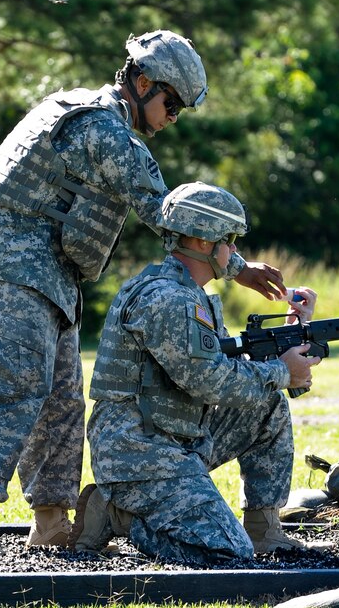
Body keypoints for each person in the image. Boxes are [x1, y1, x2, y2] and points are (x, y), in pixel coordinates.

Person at [0, 31, 286, 560]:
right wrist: (236, 266)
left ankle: (51, 522)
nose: (172, 117)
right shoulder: (103, 128)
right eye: (170, 103)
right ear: (142, 81)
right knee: (13, 390)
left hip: (52, 275)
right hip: (16, 268)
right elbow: (167, 212)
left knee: (60, 404)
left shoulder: (88, 113)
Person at [68, 181, 321, 564]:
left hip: (179, 437)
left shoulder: (190, 294)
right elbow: (210, 380)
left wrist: (289, 337)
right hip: (139, 451)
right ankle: (119, 514)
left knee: (266, 403)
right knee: (225, 551)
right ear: (203, 242)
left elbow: (229, 369)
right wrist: (282, 372)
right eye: (230, 239)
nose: (235, 252)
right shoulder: (167, 299)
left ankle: (263, 529)